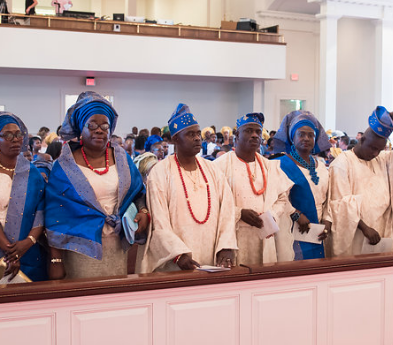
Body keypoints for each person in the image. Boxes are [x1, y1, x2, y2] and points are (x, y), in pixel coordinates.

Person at [45, 92, 149, 279]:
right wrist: (56, 259)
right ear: (80, 129)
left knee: (115, 298)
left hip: (117, 243)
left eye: (104, 126)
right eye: (92, 125)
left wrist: (143, 212)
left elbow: (138, 192)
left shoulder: (122, 158)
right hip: (80, 246)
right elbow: (55, 213)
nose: (99, 130)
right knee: (86, 300)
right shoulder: (65, 164)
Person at [140, 104, 237, 272]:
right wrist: (178, 254)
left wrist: (226, 245)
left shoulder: (212, 169)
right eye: (191, 134)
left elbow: (227, 210)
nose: (198, 138)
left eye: (198, 133)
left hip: (213, 259)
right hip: (176, 262)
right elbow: (159, 220)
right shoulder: (160, 173)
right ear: (175, 139)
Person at [0, 112, 48, 286]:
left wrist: (27, 243)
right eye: (7, 135)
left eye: (19, 134)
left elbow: (41, 212)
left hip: (28, 251)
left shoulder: (32, 172)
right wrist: (10, 252)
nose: (15, 139)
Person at [328, 106, 393, 256]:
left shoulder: (381, 159)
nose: (375, 153)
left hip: (383, 232)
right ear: (361, 140)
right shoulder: (342, 163)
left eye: (379, 150)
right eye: (372, 148)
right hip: (357, 234)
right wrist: (365, 228)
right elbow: (341, 204)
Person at [212, 112, 293, 265]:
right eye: (249, 131)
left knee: (262, 283)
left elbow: (282, 198)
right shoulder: (219, 166)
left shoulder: (270, 166)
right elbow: (212, 202)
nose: (255, 135)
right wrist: (239, 213)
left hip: (264, 234)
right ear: (237, 135)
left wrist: (271, 216)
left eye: (258, 132)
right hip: (233, 236)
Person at [271, 111, 333, 260]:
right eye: (301, 134)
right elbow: (276, 196)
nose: (306, 138)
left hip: (318, 229)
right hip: (292, 229)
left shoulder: (322, 167)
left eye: (311, 135)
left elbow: (329, 197)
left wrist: (327, 220)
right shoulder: (279, 164)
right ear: (292, 137)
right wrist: (295, 213)